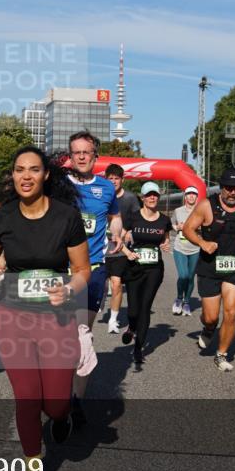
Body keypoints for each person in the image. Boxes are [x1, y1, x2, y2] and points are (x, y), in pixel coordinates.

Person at [0, 146, 90, 471]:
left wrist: (70, 288)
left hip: (56, 318)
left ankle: (64, 412)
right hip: (13, 317)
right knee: (27, 398)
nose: (26, 176)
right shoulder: (2, 218)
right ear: (14, 176)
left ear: (46, 176)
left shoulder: (67, 218)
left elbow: (83, 270)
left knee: (54, 406)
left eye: (34, 170)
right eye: (20, 170)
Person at [181, 167, 235, 372]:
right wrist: (202, 243)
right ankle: (209, 329)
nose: (233, 193)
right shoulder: (206, 206)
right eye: (229, 188)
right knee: (211, 317)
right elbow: (187, 229)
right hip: (209, 266)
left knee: (231, 311)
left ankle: (221, 354)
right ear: (221, 188)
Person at [66, 132, 122, 424]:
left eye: (87, 152)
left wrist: (117, 232)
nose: (82, 157)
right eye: (77, 152)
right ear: (70, 156)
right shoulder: (59, 186)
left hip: (95, 269)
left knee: (82, 336)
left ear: (95, 156)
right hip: (61, 269)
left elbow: (114, 216)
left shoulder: (106, 188)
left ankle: (76, 400)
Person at [118, 182, 173, 368]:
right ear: (142, 198)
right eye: (148, 195)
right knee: (133, 310)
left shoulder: (164, 220)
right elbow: (119, 238)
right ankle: (132, 326)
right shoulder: (133, 217)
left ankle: (138, 349)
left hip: (154, 269)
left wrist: (165, 245)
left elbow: (165, 240)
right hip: (134, 267)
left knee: (145, 307)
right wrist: (127, 252)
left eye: (155, 195)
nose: (152, 198)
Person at [103, 163, 141, 334]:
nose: (113, 182)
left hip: (120, 247)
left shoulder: (130, 198)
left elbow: (138, 219)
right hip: (99, 247)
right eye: (110, 178)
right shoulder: (100, 195)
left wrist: (126, 231)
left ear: (122, 180)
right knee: (100, 284)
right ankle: (100, 299)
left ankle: (113, 319)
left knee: (117, 283)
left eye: (116, 178)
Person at [171, 185, 201, 316]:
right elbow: (172, 223)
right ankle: (178, 298)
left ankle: (187, 302)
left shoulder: (201, 211)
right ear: (185, 196)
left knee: (190, 277)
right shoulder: (178, 211)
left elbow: (207, 226)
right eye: (189, 194)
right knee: (183, 275)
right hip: (180, 247)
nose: (191, 196)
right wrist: (177, 227)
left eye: (194, 194)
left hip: (195, 248)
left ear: (196, 197)